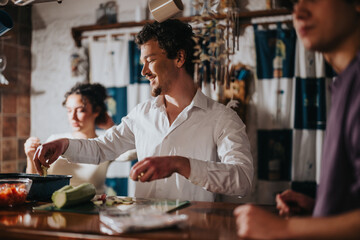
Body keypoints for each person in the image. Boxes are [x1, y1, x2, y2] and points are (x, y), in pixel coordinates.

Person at [31, 19, 254, 202]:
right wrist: (64, 145)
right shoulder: (142, 114)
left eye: (150, 60)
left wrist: (180, 164)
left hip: (194, 231)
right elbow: (101, 148)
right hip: (142, 229)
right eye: (142, 62)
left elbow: (243, 180)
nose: (144, 71)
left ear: (179, 57)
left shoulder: (222, 118)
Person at [234, 0, 360, 239]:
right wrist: (322, 207)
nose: (299, 12)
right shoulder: (346, 82)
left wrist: (283, 229)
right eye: (293, 3)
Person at [25, 82, 115, 194]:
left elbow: (134, 151)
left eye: (80, 110)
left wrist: (111, 127)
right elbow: (34, 183)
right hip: (53, 206)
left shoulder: (104, 144)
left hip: (93, 208)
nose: (73, 117)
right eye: (69, 110)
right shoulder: (54, 141)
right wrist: (31, 156)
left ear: (96, 111)